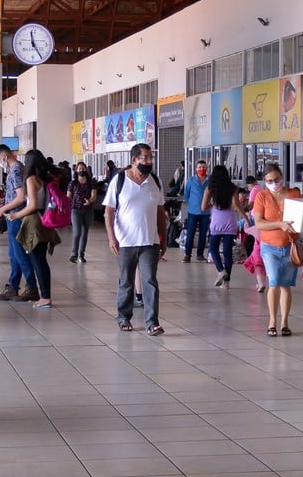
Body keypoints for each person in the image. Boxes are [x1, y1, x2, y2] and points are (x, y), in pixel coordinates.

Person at [104, 143, 167, 335]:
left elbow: (160, 212)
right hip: (126, 242)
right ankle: (124, 318)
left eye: (150, 158)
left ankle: (152, 322)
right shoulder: (120, 180)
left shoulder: (155, 181)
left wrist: (162, 240)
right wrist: (112, 239)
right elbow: (108, 211)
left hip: (149, 241)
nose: (148, 162)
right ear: (134, 160)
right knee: (126, 281)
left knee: (150, 282)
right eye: (145, 158)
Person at [253, 164, 303, 337]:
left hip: (290, 245)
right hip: (269, 246)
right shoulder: (261, 196)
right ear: (264, 181)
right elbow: (258, 223)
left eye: (276, 179)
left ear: (282, 177)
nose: (274, 183)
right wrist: (279, 224)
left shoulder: (294, 194)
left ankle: (285, 322)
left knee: (286, 285)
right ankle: (272, 320)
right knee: (274, 281)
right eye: (269, 181)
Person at [7, 149, 61, 309]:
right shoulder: (45, 178)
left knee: (38, 262)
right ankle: (46, 295)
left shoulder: (31, 179)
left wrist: (15, 216)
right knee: (41, 261)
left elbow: (32, 205)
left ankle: (45, 297)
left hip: (34, 222)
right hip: (45, 221)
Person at [0, 144, 39, 302]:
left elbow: (21, 197)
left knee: (19, 253)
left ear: (5, 156)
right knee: (13, 254)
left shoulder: (15, 170)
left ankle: (31, 286)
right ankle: (13, 286)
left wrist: (3, 208)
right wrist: (4, 202)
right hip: (12, 215)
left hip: (16, 217)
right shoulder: (16, 169)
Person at [202, 165, 248, 288]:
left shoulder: (210, 188)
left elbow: (203, 207)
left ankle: (221, 271)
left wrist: (213, 205)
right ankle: (227, 283)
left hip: (216, 222)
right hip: (230, 222)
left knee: (213, 248)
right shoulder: (233, 188)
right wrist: (246, 218)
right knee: (228, 253)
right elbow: (236, 205)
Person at [67, 162, 97, 263]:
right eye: (79, 169)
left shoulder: (91, 182)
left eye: (83, 168)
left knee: (85, 233)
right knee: (77, 232)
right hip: (75, 210)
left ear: (86, 170)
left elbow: (94, 195)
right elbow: (68, 196)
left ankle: (81, 254)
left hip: (88, 210)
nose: (81, 170)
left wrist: (90, 201)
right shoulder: (73, 183)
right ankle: (74, 254)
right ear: (76, 171)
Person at [181, 160, 210, 262]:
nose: (201, 169)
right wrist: (192, 204)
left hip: (205, 213)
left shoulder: (209, 182)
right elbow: (186, 194)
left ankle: (200, 254)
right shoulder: (190, 181)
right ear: (196, 169)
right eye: (200, 167)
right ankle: (187, 255)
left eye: (203, 167)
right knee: (190, 234)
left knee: (203, 234)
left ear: (207, 168)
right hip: (192, 212)